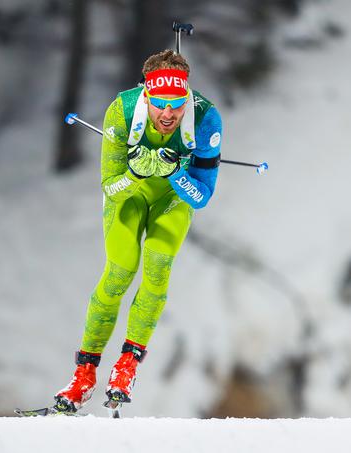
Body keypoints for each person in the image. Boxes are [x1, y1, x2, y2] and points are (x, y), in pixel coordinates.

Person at [53, 49, 223, 412]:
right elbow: (109, 185)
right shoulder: (123, 111)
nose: (168, 115)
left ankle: (126, 367)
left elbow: (202, 195)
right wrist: (136, 173)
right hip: (129, 195)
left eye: (177, 105)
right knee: (119, 271)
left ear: (187, 98)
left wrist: (175, 173)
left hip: (172, 200)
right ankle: (83, 376)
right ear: (147, 95)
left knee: (158, 265)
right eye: (160, 104)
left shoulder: (206, 118)